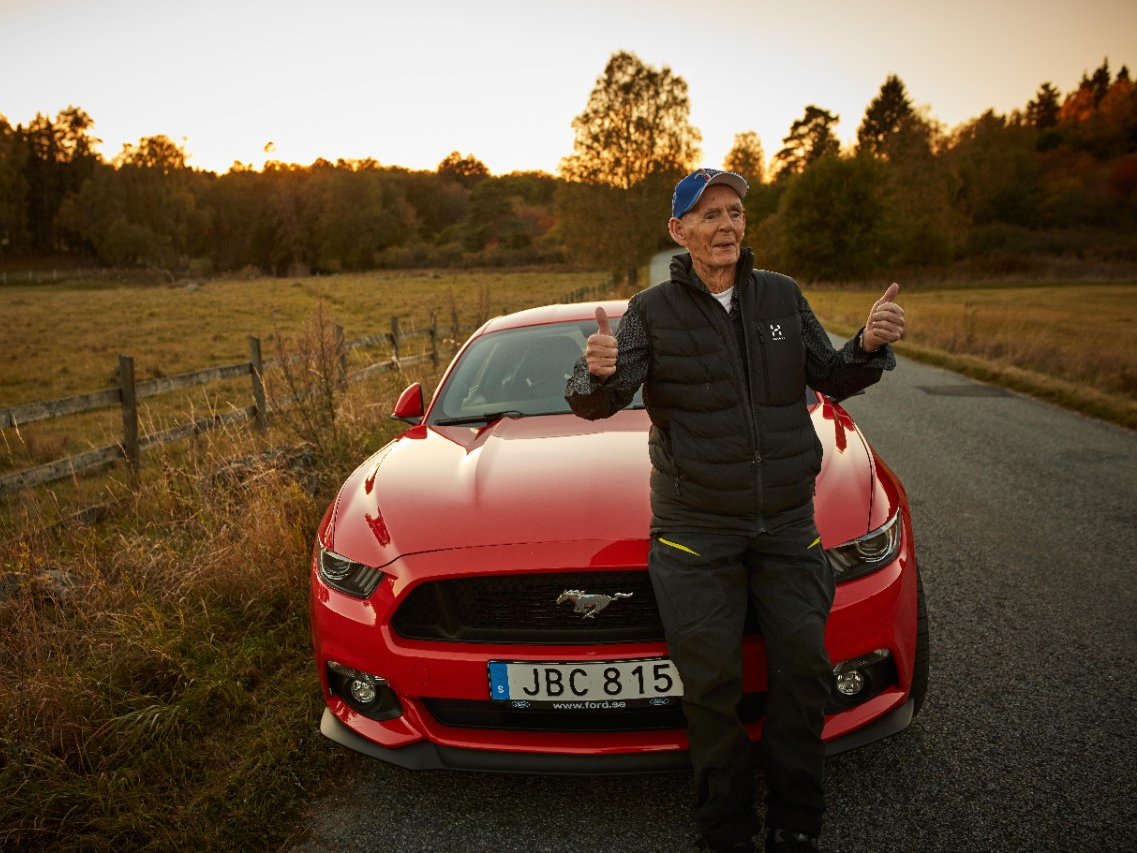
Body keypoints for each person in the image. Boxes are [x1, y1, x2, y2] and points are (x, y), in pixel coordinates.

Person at [565, 168, 905, 853]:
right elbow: (606, 397)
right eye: (708, 214)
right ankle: (724, 827)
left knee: (803, 666)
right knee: (712, 682)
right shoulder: (651, 311)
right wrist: (592, 374)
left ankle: (795, 820)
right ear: (678, 230)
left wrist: (868, 345)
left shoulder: (779, 295)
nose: (725, 225)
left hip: (784, 522)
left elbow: (831, 375)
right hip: (695, 532)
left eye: (733, 212)